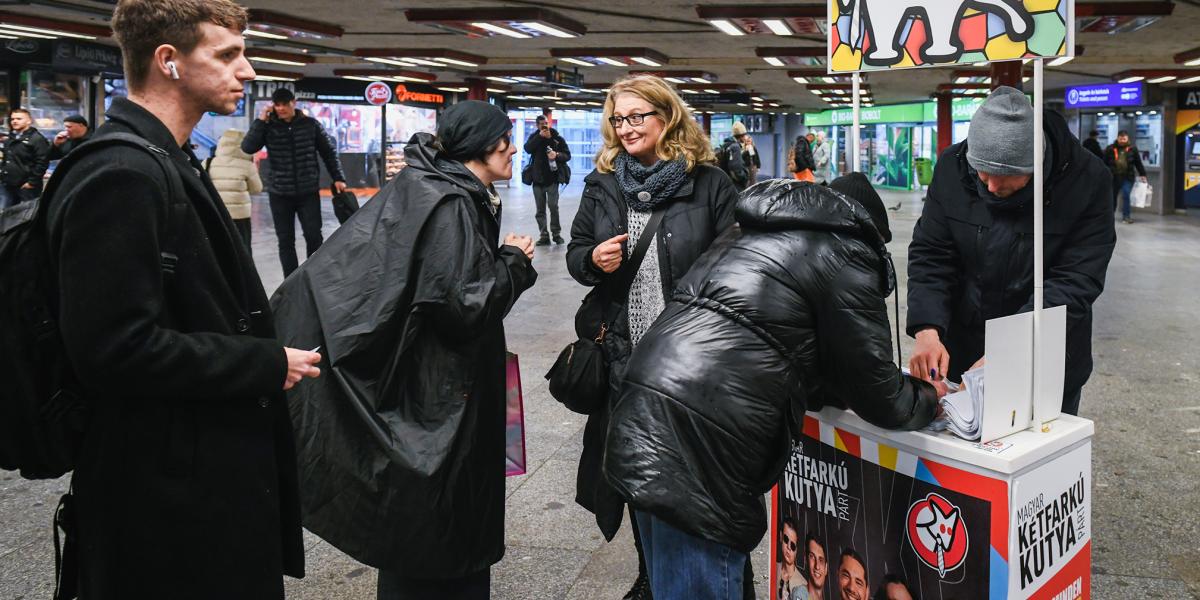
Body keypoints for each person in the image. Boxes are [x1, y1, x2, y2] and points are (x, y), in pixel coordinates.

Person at [45, 0, 322, 596]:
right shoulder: (121, 174)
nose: (246, 71)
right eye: (226, 55)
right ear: (168, 61)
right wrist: (265, 362)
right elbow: (112, 348)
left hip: (194, 469)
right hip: (163, 493)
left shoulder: (166, 159)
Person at [604, 174, 939, 600]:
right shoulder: (847, 250)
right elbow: (880, 391)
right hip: (698, 444)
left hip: (645, 407)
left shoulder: (748, 230)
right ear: (869, 229)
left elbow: (775, 336)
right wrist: (930, 397)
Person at [270, 100, 537, 600]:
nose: (513, 147)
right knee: (444, 525)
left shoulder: (423, 185)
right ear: (481, 145)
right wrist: (514, 262)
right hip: (439, 388)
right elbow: (465, 308)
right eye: (505, 138)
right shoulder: (453, 202)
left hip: (415, 372)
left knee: (415, 533)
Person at [567, 74, 738, 600]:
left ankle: (714, 575)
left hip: (689, 360)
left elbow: (737, 259)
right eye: (617, 119)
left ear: (668, 117)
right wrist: (593, 260)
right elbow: (576, 252)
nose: (625, 128)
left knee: (694, 475)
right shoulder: (602, 185)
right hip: (624, 357)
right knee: (637, 473)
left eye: (637, 116)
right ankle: (651, 572)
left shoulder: (709, 183)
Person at [907, 86, 1116, 416]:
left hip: (1046, 358)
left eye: (1004, 176)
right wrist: (927, 329)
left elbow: (1076, 281)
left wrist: (1010, 347)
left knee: (1035, 459)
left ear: (1036, 165)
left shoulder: (1088, 181)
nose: (990, 186)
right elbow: (932, 253)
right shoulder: (953, 166)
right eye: (982, 172)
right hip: (966, 353)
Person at [241, 86, 347, 276]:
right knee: (285, 240)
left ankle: (315, 276)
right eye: (277, 105)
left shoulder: (310, 125)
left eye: (284, 104)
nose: (281, 109)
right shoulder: (267, 126)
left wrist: (338, 177)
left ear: (293, 103)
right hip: (279, 193)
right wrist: (261, 120)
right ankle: (290, 281)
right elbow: (248, 147)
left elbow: (328, 153)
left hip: (307, 192)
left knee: (314, 236)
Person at [208, 128, 263, 253]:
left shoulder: (209, 162)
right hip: (240, 217)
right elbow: (257, 189)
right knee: (242, 251)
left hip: (216, 214)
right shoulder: (247, 166)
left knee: (218, 250)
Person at [524, 114, 572, 245]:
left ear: (549, 123)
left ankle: (556, 234)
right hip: (537, 180)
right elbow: (527, 149)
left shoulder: (557, 138)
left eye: (545, 123)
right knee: (540, 210)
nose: (544, 125)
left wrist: (556, 154)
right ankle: (544, 235)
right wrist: (540, 137)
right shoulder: (534, 137)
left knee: (553, 207)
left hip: (552, 179)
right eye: (541, 124)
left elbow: (567, 155)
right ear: (537, 125)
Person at [1, 108, 50, 208]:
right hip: (8, 184)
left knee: (26, 218)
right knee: (6, 217)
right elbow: (7, 159)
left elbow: (42, 162)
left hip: (26, 186)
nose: (14, 121)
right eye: (12, 119)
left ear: (29, 121)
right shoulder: (10, 138)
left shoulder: (37, 139)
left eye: (19, 119)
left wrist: (32, 182)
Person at [1103, 129, 1147, 224]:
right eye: (1121, 138)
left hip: (1127, 177)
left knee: (1126, 194)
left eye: (1124, 139)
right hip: (1113, 177)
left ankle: (1126, 216)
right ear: (1117, 138)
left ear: (1127, 139)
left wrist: (1143, 174)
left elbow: (1138, 163)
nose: (1122, 140)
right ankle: (1110, 217)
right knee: (1112, 197)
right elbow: (1104, 162)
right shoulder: (1110, 148)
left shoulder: (1132, 149)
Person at [776, 519, 804, 599]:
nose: (788, 547)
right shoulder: (772, 568)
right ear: (781, 536)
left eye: (792, 545)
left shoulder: (802, 584)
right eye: (786, 539)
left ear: (797, 550)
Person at [719, 120, 751, 190]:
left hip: (725, 183)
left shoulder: (726, 145)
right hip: (735, 186)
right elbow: (736, 170)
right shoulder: (735, 147)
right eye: (745, 134)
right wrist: (744, 179)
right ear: (742, 135)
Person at [800, 534, 829, 600]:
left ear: (826, 568)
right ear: (805, 560)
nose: (817, 566)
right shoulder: (799, 595)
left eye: (821, 560)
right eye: (812, 557)